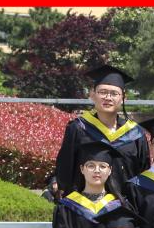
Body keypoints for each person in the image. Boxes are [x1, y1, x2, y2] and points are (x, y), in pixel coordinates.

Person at [55, 65, 149, 197]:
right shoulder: (78, 128)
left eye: (114, 94)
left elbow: (143, 173)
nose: (108, 97)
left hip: (126, 205)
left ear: (123, 98)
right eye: (102, 92)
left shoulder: (135, 134)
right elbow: (65, 169)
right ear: (92, 95)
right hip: (85, 204)